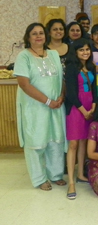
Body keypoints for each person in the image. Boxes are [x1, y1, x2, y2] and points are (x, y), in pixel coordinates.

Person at [15, 23, 66, 191]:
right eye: (34, 34)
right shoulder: (24, 56)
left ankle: (56, 174)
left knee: (56, 140)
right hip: (35, 107)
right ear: (28, 38)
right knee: (36, 142)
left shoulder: (53, 54)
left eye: (41, 33)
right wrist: (46, 101)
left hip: (56, 106)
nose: (38, 36)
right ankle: (39, 179)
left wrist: (60, 97)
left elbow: (61, 79)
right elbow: (24, 84)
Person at [64, 38, 98, 199]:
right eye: (81, 50)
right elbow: (70, 93)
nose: (85, 52)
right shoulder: (71, 68)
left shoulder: (91, 66)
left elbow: (96, 89)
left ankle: (80, 174)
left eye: (87, 49)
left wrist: (94, 106)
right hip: (76, 108)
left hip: (89, 107)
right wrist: (83, 110)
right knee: (73, 143)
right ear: (75, 52)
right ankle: (71, 181)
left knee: (84, 140)